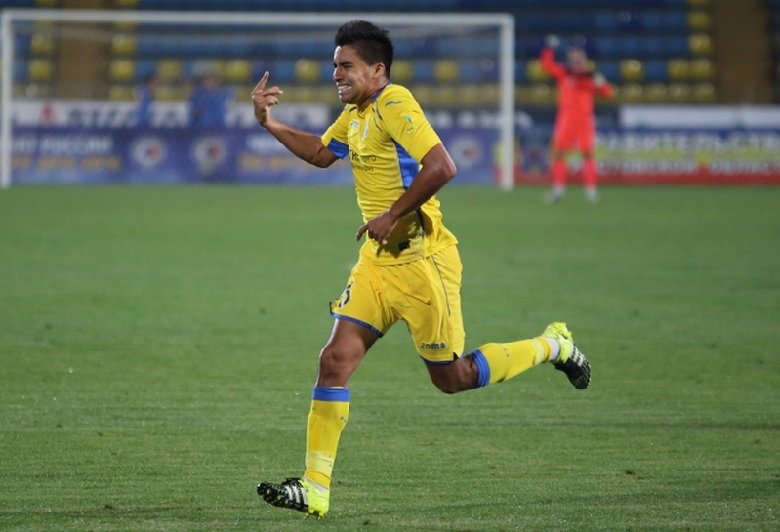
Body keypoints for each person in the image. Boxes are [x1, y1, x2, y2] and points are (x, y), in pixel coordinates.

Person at [252, 20, 591, 518]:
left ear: (377, 69)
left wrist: (392, 213)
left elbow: (442, 166)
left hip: (422, 262)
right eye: (334, 66)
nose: (336, 74)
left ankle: (553, 345)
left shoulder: (394, 103)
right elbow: (322, 154)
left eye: (346, 66)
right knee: (334, 360)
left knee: (452, 378)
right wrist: (270, 124)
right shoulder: (356, 113)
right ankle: (315, 487)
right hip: (376, 264)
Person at [540, 35, 614, 203]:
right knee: (559, 154)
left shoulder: (590, 76)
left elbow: (608, 93)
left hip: (584, 121)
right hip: (566, 119)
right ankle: (558, 191)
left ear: (583, 56)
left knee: (587, 155)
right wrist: (549, 48)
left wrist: (601, 83)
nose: (575, 56)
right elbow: (546, 66)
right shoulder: (564, 72)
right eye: (572, 53)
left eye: (578, 53)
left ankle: (591, 192)